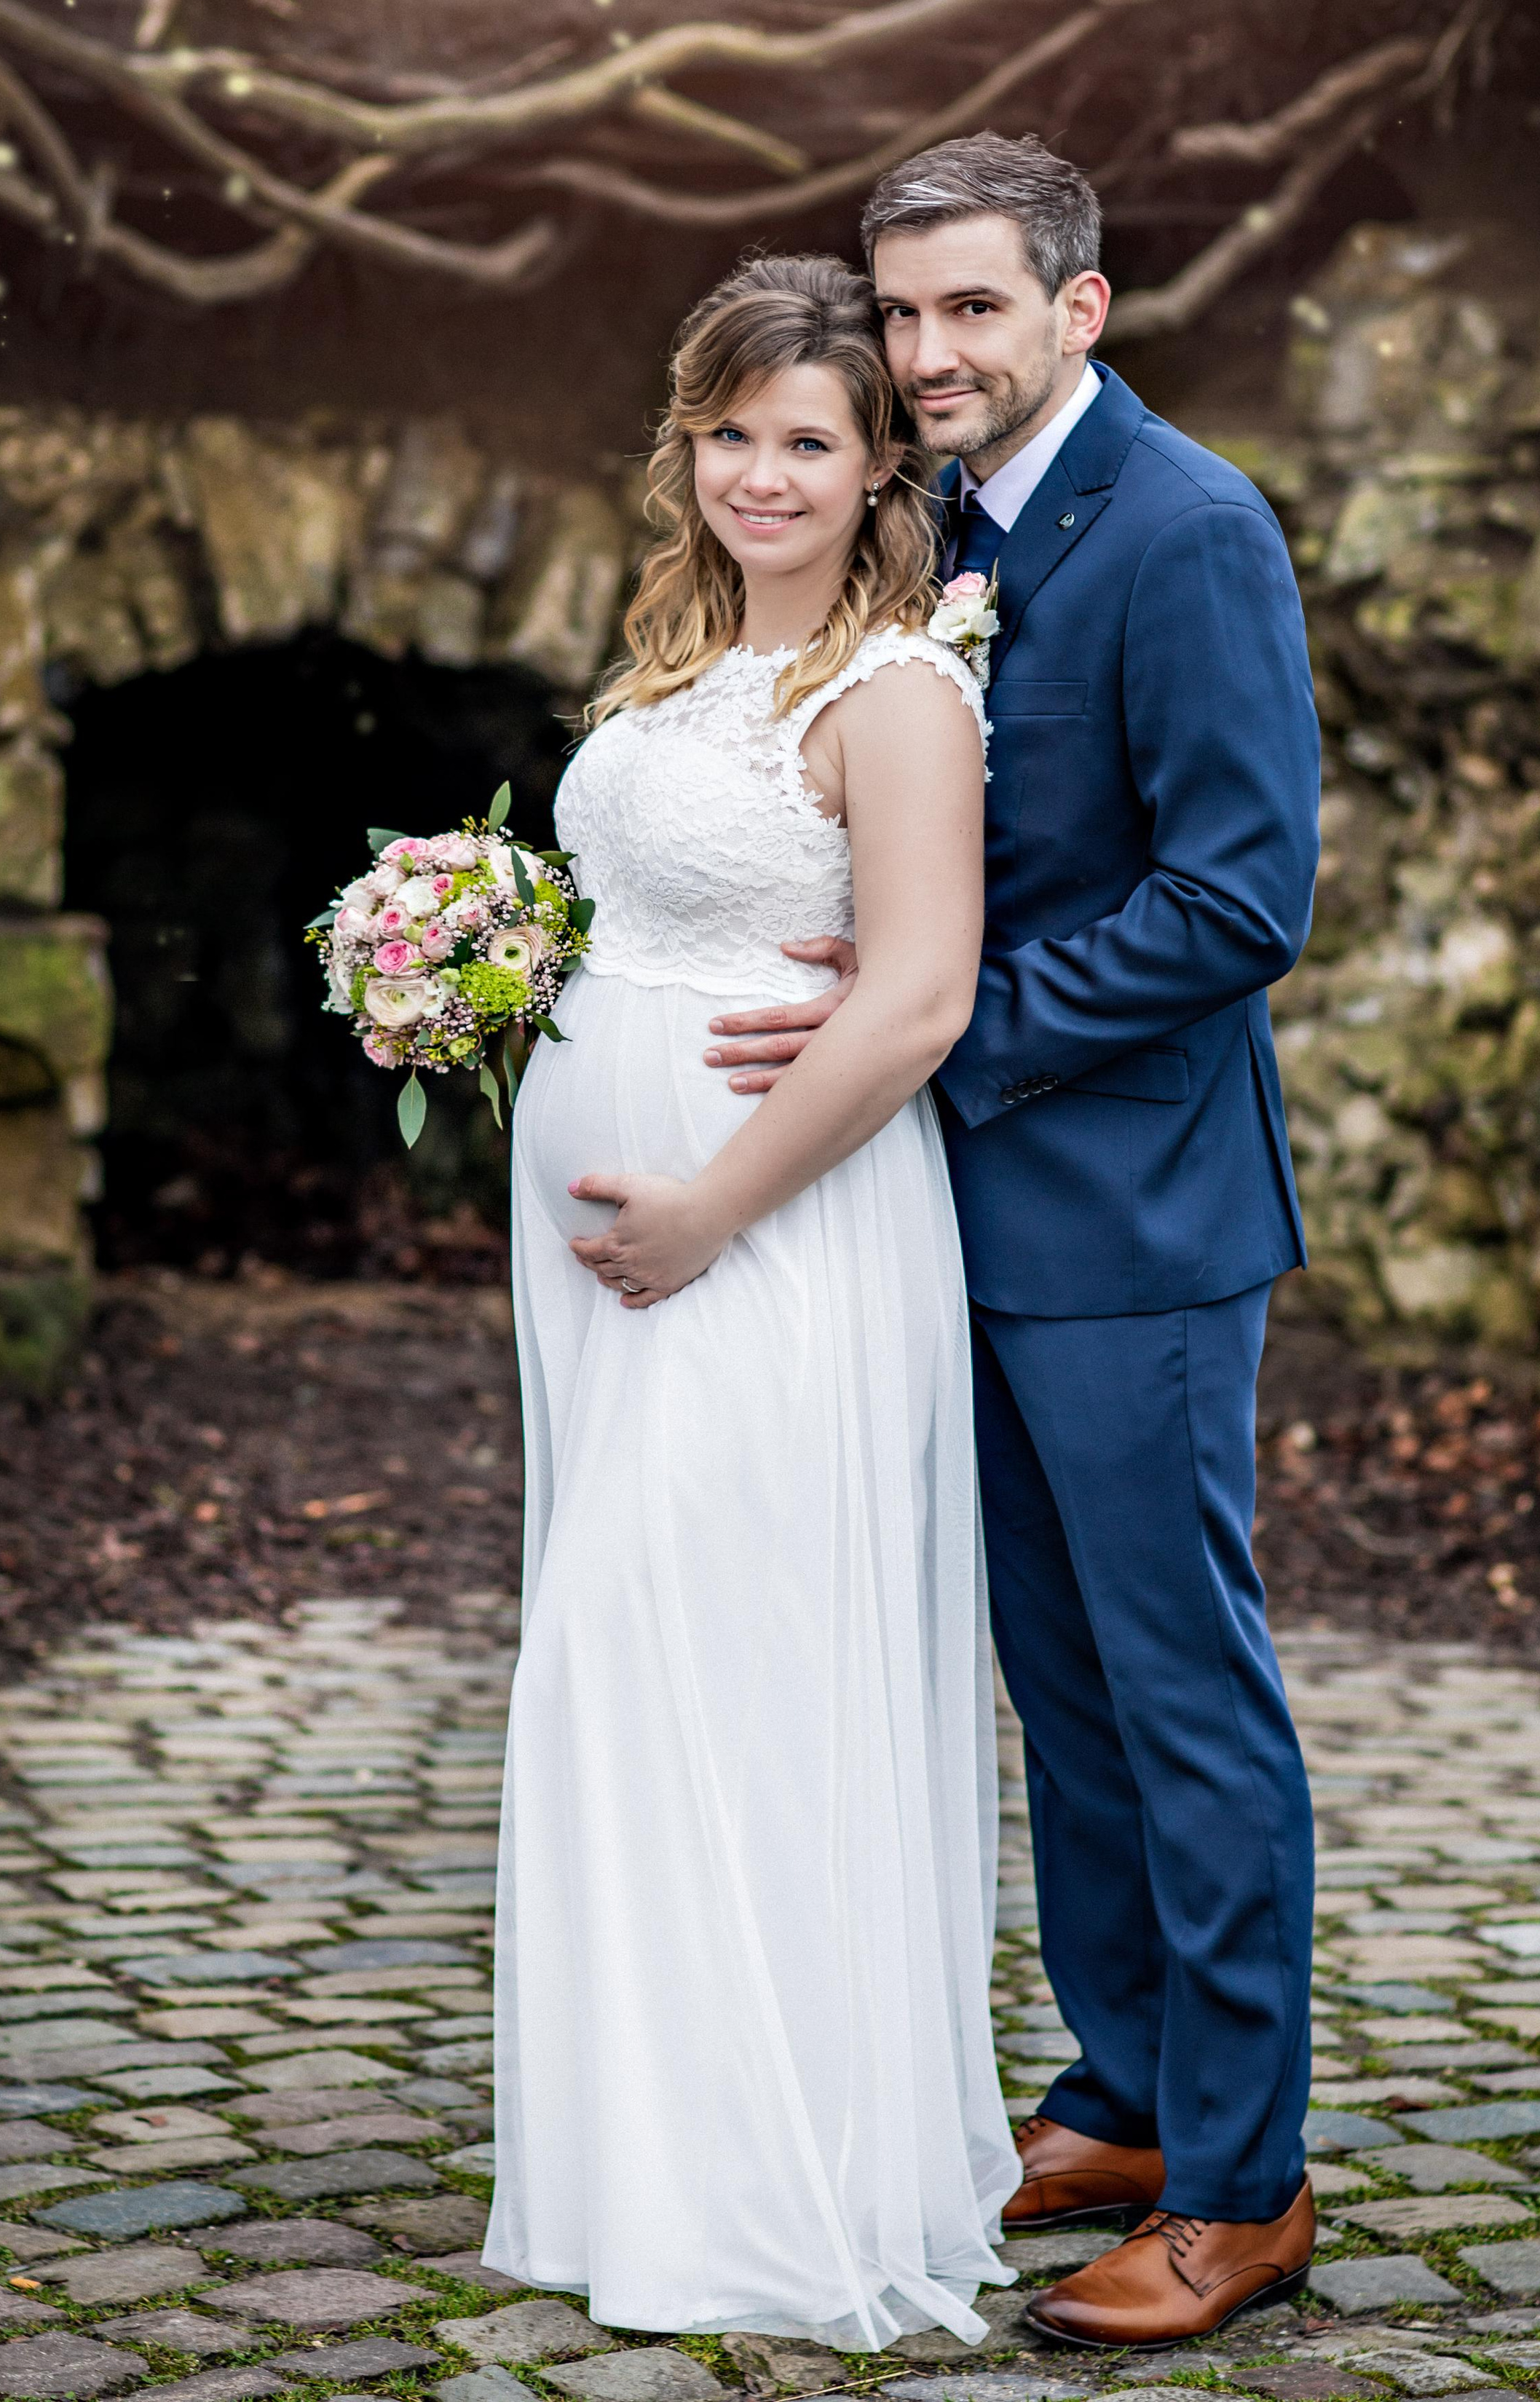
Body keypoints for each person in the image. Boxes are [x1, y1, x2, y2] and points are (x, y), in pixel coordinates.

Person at [703, 133, 1324, 2354]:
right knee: (1062, 1695)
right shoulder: (937, 524)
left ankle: (1246, 2189)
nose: (929, 349)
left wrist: (929, 1024)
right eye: (903, 310)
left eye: (974, 306)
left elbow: (1244, 898)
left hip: (1133, 1211)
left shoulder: (1187, 525)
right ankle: (1134, 2094)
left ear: (1080, 305)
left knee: (1183, 1700)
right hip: (947, 1212)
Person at [485, 253, 1018, 2347]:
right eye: (730, 433)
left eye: (809, 438)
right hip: (617, 1267)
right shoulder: (681, 667)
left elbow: (917, 1001)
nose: (763, 474)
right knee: (632, 1673)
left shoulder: (893, 691)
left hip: (776, 1245)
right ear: (684, 445)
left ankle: (779, 2179)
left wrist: (707, 1205)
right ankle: (650, 2159)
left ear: (884, 459)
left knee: (722, 1658)